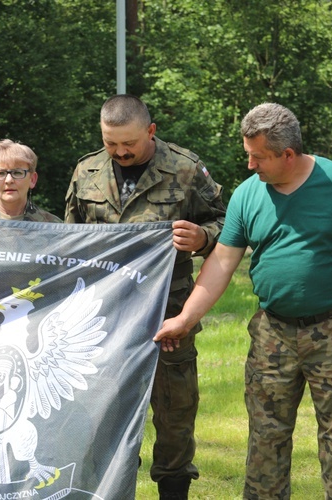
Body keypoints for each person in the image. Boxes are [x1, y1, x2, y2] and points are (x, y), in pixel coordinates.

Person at [154, 102, 332, 498]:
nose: (250, 165)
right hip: (273, 334)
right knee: (266, 441)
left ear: (289, 154)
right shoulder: (247, 195)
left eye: (258, 157)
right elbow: (220, 262)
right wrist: (184, 319)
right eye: (247, 154)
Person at [64, 94, 227, 499]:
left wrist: (204, 236)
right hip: (101, 320)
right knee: (102, 416)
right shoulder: (86, 171)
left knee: (174, 417)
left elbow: (229, 225)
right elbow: (69, 242)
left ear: (151, 132)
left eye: (129, 144)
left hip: (168, 317)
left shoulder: (184, 168)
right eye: (110, 143)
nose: (120, 152)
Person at [0, 139, 61, 221]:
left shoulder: (52, 226)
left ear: (32, 179)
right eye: (0, 173)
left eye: (17, 173)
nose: (9, 180)